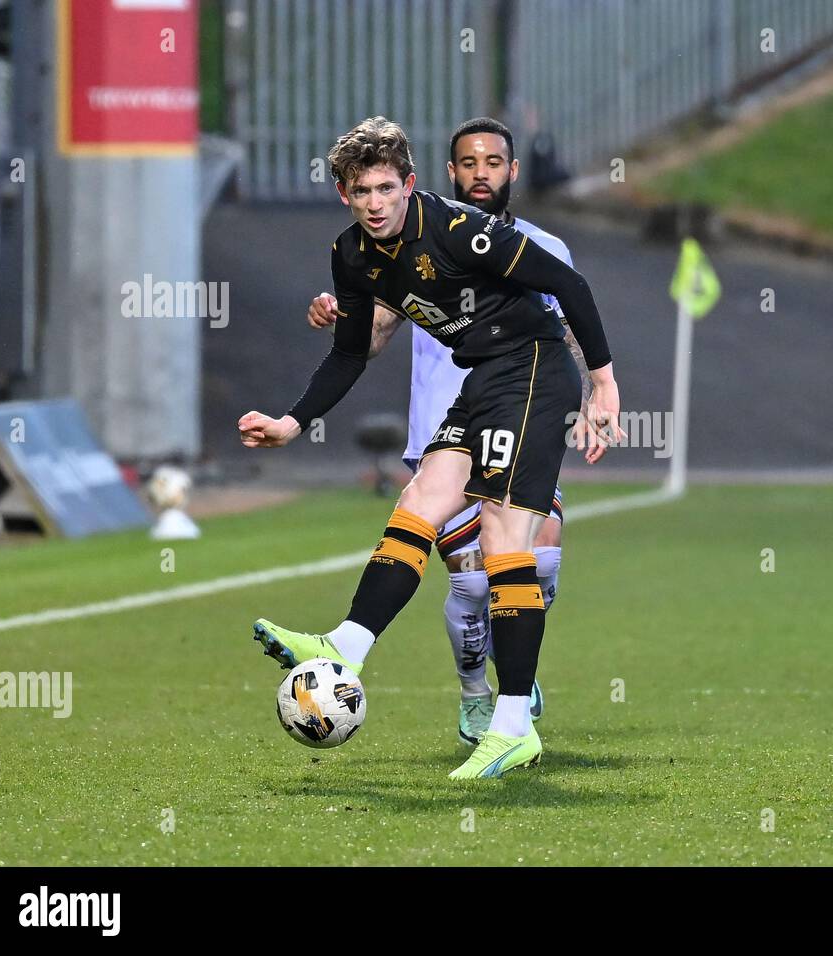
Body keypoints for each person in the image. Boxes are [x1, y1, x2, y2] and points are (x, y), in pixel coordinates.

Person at [238, 116, 623, 779]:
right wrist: (292, 422)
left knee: (505, 539)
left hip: (532, 370)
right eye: (363, 192)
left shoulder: (456, 229)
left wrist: (604, 385)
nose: (377, 203)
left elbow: (569, 284)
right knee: (425, 496)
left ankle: (511, 725)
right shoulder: (352, 256)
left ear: (409, 185)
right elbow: (351, 352)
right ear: (345, 196)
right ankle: (345, 645)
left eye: (387, 188)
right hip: (486, 377)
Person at [304, 118, 584, 747]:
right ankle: (478, 696)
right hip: (444, 425)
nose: (480, 172)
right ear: (448, 174)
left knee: (537, 555)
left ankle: (515, 677)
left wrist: (591, 399)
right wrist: (339, 321)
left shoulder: (542, 247)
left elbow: (562, 331)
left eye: (493, 162)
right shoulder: (420, 242)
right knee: (474, 574)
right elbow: (371, 336)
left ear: (513, 172)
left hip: (521, 406)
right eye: (468, 162)